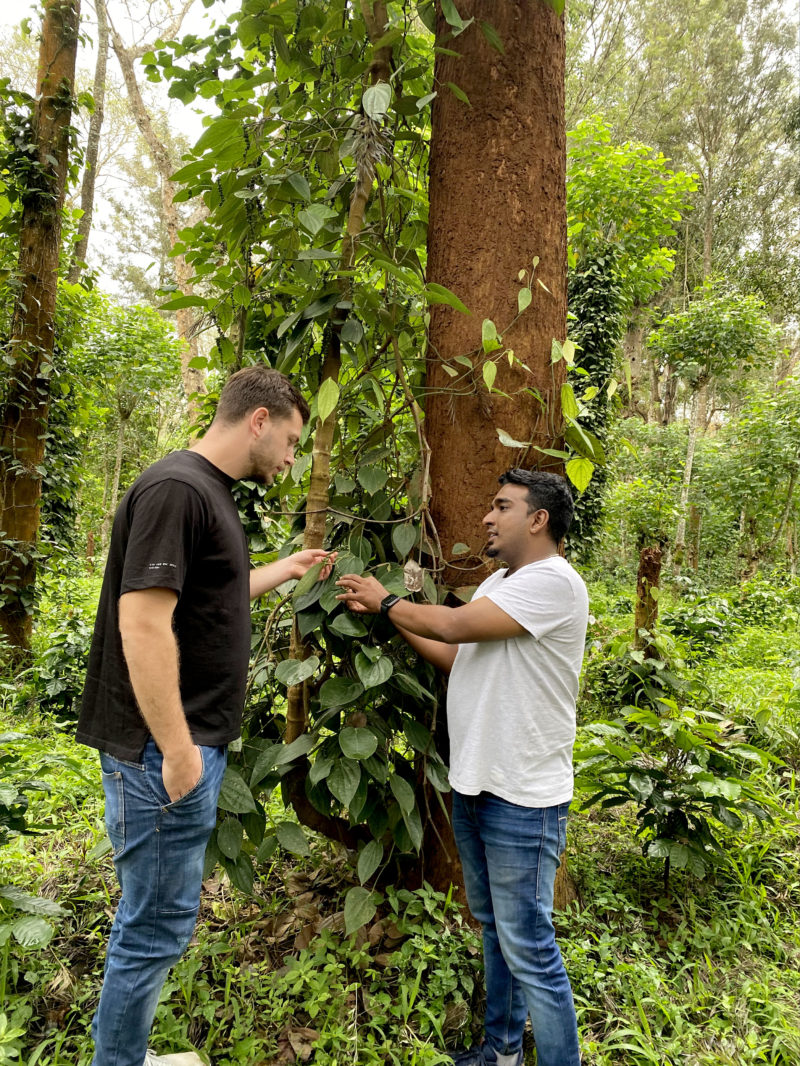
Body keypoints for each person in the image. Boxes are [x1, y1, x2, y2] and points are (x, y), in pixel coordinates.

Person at [77, 366, 333, 1066]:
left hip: (183, 745)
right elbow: (144, 622)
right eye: (289, 439)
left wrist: (286, 568)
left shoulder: (205, 492)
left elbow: (207, 593)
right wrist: (178, 747)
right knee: (153, 928)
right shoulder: (177, 488)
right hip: (163, 753)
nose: (290, 457)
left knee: (156, 921)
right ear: (258, 419)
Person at [336, 468, 587, 1066]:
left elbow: (449, 624)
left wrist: (389, 599)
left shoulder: (553, 583)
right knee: (497, 934)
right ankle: (500, 1053)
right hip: (476, 785)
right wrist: (389, 616)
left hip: (524, 797)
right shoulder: (500, 583)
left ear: (538, 519)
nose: (486, 518)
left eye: (502, 506)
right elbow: (454, 654)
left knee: (530, 948)